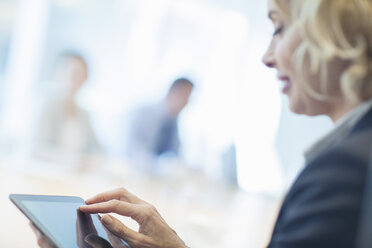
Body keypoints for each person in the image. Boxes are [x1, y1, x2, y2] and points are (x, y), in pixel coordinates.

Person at [35, 0, 372, 247]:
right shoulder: (353, 155)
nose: (267, 57)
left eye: (279, 28)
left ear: (336, 33)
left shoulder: (344, 168)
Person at [32, 52, 102, 164]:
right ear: (61, 74)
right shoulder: (48, 106)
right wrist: (74, 160)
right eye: (74, 73)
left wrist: (93, 160)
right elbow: (37, 148)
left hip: (75, 175)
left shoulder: (84, 114)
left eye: (82, 75)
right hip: (49, 173)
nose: (77, 79)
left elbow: (98, 149)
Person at [126, 78, 194, 161]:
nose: (187, 103)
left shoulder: (173, 123)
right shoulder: (144, 113)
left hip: (159, 172)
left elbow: (176, 153)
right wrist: (156, 165)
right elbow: (132, 148)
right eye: (185, 96)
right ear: (174, 92)